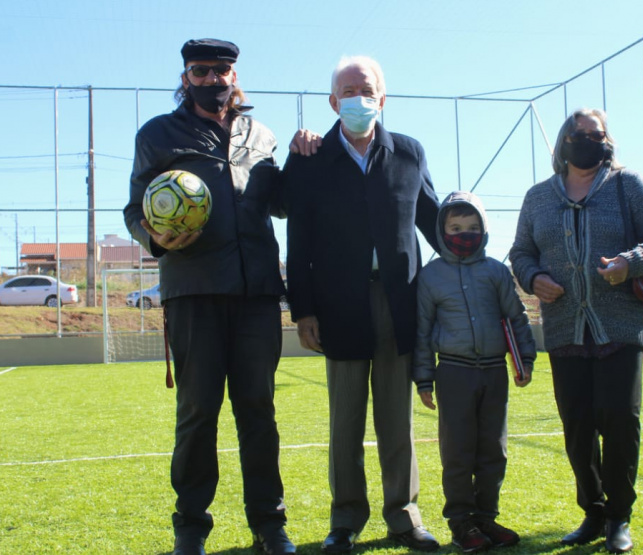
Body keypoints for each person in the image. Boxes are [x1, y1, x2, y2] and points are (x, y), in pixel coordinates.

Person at [124, 38, 295, 555]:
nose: (212, 79)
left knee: (258, 412)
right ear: (185, 76)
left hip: (257, 294)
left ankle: (269, 525)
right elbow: (136, 209)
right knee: (198, 412)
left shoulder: (261, 134)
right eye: (200, 71)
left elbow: (281, 205)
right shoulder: (158, 134)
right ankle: (191, 530)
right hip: (193, 292)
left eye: (221, 71)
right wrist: (155, 238)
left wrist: (305, 161)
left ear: (233, 76)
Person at [284, 55, 441, 554]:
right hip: (338, 307)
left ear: (383, 97)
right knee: (345, 421)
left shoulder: (410, 153)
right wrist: (302, 309)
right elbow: (298, 239)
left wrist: (478, 264)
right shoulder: (309, 158)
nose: (358, 97)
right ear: (333, 102)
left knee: (397, 420)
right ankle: (345, 520)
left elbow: (436, 223)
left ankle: (405, 516)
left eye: (366, 88)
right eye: (347, 90)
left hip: (400, 304)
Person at [508, 108, 643, 554]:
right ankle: (593, 511)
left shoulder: (628, 185)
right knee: (577, 428)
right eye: (581, 134)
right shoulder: (538, 197)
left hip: (619, 326)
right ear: (564, 142)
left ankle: (620, 517)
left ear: (609, 141)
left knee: (620, 423)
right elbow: (520, 252)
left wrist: (631, 262)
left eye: (598, 134)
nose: (589, 140)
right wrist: (532, 279)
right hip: (565, 329)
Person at [413, 191, 536, 553]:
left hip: (495, 373)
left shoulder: (497, 272)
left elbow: (517, 318)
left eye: (472, 227)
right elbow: (421, 331)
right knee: (458, 451)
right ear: (441, 231)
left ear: (483, 230)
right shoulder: (430, 277)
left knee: (493, 451)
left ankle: (486, 517)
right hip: (453, 373)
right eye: (455, 227)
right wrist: (423, 379)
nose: (463, 234)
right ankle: (461, 522)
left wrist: (524, 359)